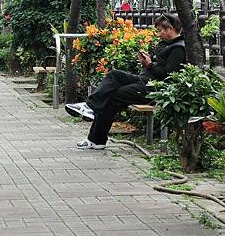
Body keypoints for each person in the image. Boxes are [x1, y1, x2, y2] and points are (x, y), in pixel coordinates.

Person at [66, 13, 185, 149]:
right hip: (144, 80)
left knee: (110, 97)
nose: (159, 34)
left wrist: (149, 65)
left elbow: (168, 75)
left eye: (161, 30)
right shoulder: (165, 44)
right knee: (114, 75)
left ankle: (96, 138)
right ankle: (90, 109)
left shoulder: (178, 49)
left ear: (170, 28)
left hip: (153, 89)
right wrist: (146, 62)